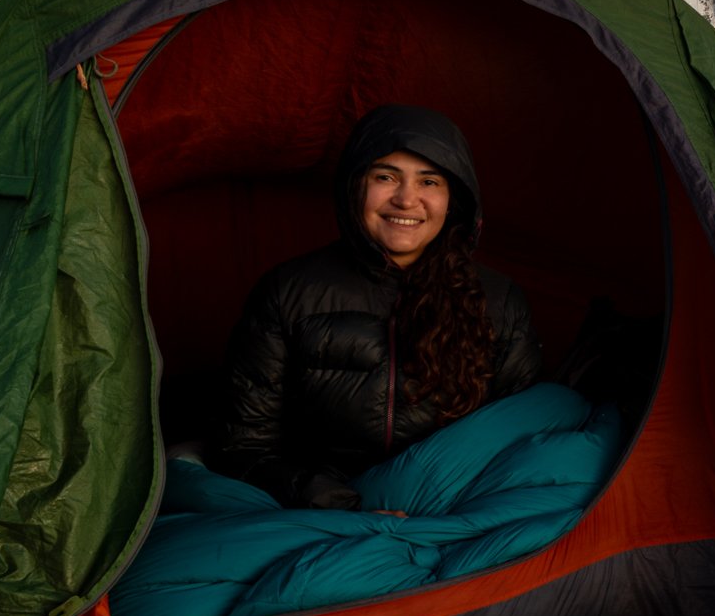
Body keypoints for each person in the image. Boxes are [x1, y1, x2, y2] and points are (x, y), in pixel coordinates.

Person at [216, 104, 541, 508]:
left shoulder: (500, 300)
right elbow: (245, 444)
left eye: (429, 181)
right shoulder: (287, 291)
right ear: (355, 186)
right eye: (386, 177)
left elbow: (523, 436)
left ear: (453, 199)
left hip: (451, 507)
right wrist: (322, 496)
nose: (407, 200)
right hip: (321, 511)